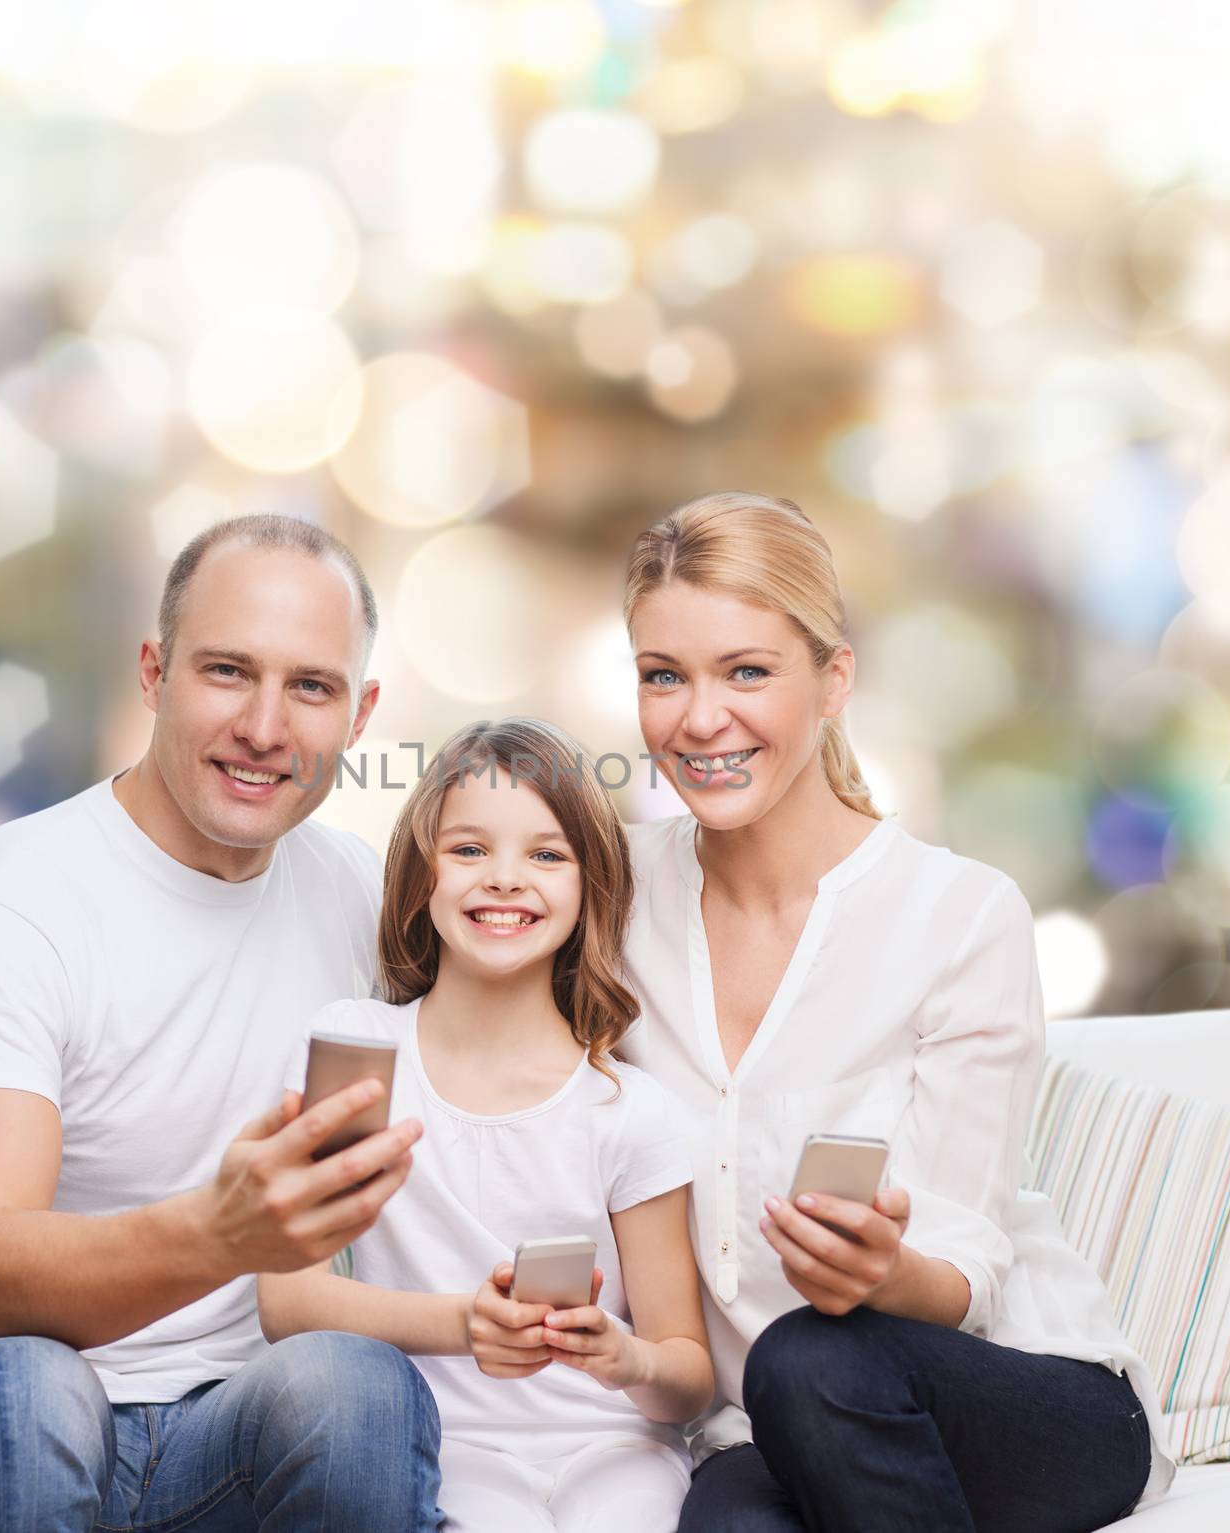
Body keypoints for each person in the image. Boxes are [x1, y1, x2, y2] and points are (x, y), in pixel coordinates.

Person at [0, 515, 442, 1532]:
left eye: (310, 687)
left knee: (355, 1387)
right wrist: (216, 1234)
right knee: (29, 1394)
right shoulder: (7, 906)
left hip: (217, 1435)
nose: (263, 727)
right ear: (154, 673)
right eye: (226, 672)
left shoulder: (355, 894)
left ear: (361, 710)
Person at [616, 492, 1177, 1533]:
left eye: (747, 671)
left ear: (833, 680)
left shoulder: (958, 916)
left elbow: (965, 1273)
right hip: (764, 1429)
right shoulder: (608, 899)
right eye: (663, 676)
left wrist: (887, 1270)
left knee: (810, 1357)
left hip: (1013, 1392)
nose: (699, 719)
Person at [259, 718, 715, 1533]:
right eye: (470, 850)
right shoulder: (360, 1050)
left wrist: (627, 1354)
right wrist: (461, 1327)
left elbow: (685, 1372)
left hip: (618, 1447)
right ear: (420, 877)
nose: (505, 879)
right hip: (449, 1445)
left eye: (546, 855)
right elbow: (287, 1299)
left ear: (589, 889)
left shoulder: (630, 1111)